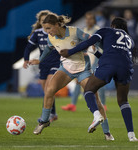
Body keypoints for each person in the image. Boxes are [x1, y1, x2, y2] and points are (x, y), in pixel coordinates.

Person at [31, 13, 114, 141]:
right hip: (65, 69)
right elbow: (48, 49)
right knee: (49, 90)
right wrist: (40, 60)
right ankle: (44, 121)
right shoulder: (51, 38)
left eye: (48, 28)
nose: (47, 31)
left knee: (95, 99)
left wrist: (99, 52)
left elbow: (93, 39)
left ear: (57, 25)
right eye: (45, 29)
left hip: (83, 70)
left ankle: (107, 132)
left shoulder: (75, 32)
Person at [60, 17, 138, 142]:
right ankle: (131, 135)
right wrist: (96, 53)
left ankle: (97, 116)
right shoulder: (130, 40)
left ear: (112, 25)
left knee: (89, 90)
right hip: (126, 67)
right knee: (123, 101)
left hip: (109, 64)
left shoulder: (106, 30)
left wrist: (70, 52)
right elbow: (116, 56)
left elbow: (88, 42)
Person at [61, 11, 108, 112]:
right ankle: (73, 104)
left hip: (96, 59)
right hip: (86, 59)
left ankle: (103, 105)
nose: (88, 20)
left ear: (94, 20)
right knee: (79, 81)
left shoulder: (98, 30)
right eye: (86, 18)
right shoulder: (83, 30)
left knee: (99, 82)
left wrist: (101, 59)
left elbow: (102, 46)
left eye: (90, 18)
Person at [23, 10, 60, 122]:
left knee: (49, 87)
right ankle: (53, 113)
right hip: (43, 64)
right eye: (43, 20)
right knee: (46, 91)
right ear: (40, 22)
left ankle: (47, 115)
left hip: (56, 63)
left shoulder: (55, 32)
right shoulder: (37, 33)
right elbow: (28, 47)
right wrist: (26, 59)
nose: (45, 22)